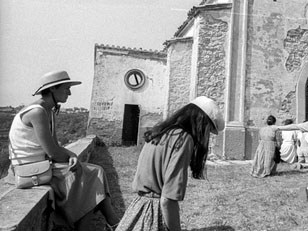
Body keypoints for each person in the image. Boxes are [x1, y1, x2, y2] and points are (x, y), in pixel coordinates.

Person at [8, 70, 119, 231]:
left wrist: (71, 154)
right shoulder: (37, 112)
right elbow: (53, 152)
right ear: (53, 89)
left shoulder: (48, 111)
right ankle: (114, 223)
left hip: (43, 166)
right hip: (31, 170)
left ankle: (112, 223)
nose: (70, 93)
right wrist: (69, 157)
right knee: (94, 175)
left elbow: (55, 146)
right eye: (66, 88)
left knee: (92, 178)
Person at [116, 96, 224, 231]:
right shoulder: (183, 139)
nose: (206, 135)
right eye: (208, 130)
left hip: (137, 209)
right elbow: (168, 200)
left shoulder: (161, 132)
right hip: (155, 213)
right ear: (201, 122)